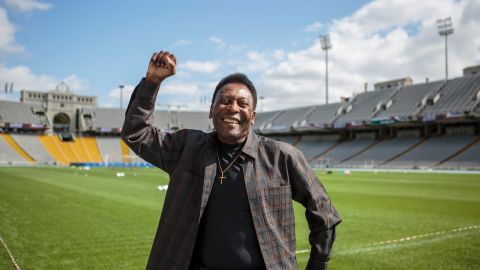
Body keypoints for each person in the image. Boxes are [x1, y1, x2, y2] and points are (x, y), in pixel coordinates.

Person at [121, 50, 341, 270]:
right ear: (211, 110)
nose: (233, 108)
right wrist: (152, 81)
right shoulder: (187, 148)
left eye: (242, 103)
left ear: (253, 116)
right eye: (225, 100)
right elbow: (136, 132)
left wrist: (317, 264)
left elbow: (325, 214)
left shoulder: (282, 157)